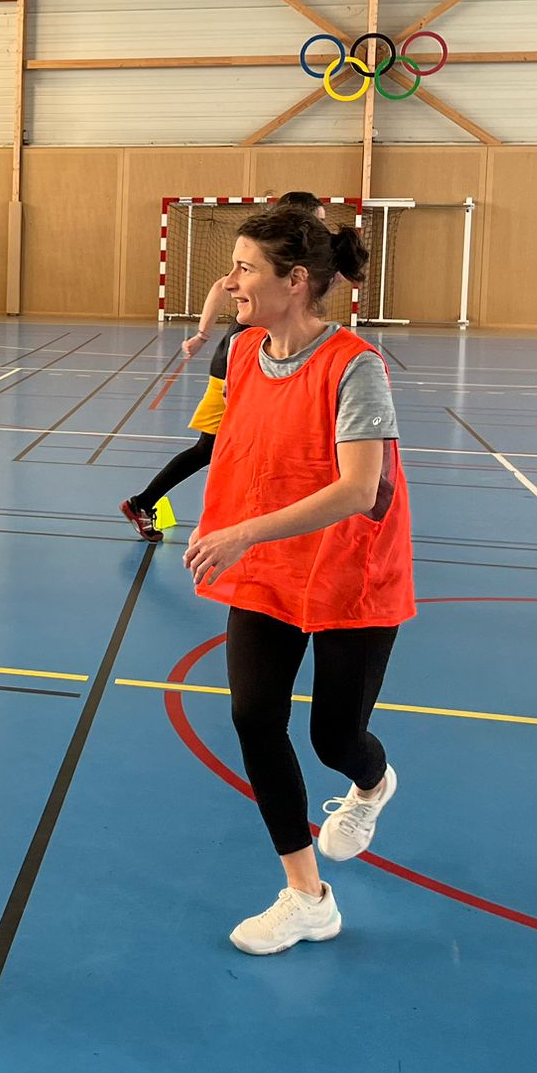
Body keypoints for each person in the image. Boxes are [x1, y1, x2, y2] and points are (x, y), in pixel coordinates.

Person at [183, 204, 413, 956]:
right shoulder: (244, 352)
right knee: (255, 717)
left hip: (354, 571)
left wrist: (241, 531)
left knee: (333, 736)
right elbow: (247, 452)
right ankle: (307, 895)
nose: (234, 281)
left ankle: (373, 784)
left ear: (297, 280)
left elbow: (357, 488)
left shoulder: (356, 368)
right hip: (270, 569)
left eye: (247, 267)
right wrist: (219, 523)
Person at [121, 193, 327, 541]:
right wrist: (202, 334)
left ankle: (149, 503)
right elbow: (222, 286)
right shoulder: (270, 263)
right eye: (318, 220)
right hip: (239, 364)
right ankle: (147, 504)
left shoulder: (297, 271)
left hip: (253, 362)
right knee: (217, 450)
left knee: (227, 449)